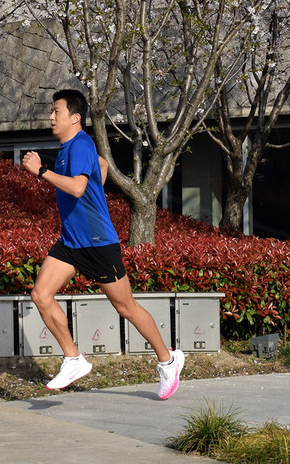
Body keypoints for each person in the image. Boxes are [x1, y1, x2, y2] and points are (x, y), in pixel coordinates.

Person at [22, 89, 185, 399]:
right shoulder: (71, 147)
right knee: (41, 294)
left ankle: (168, 361)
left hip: (98, 243)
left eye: (57, 111)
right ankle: (73, 359)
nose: (51, 116)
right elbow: (102, 167)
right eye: (51, 111)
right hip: (71, 241)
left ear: (75, 117)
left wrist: (41, 171)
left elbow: (78, 188)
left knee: (126, 307)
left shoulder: (80, 144)